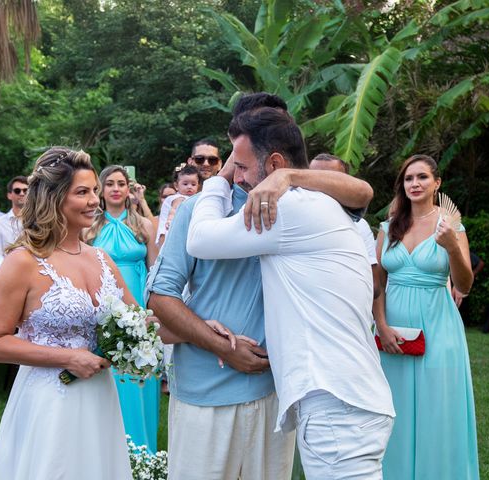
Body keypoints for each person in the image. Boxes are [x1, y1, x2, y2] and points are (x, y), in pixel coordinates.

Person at [147, 93, 377, 480]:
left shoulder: (308, 202)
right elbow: (159, 298)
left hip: (277, 391)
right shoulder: (197, 209)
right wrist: (220, 345)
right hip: (207, 390)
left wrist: (290, 178)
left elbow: (363, 193)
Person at [0, 148, 134, 479]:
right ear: (54, 198)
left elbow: (140, 320)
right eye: (82, 192)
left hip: (100, 397)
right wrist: (66, 358)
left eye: (94, 190)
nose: (95, 200)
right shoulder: (23, 262)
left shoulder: (102, 259)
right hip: (49, 402)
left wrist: (200, 324)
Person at [373, 154, 479, 480]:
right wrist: (381, 325)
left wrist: (451, 248)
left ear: (437, 183)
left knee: (437, 407)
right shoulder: (388, 228)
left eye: (421, 177)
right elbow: (377, 285)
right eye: (408, 178)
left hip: (438, 326)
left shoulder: (452, 228)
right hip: (391, 329)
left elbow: (464, 284)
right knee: (393, 408)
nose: (414, 184)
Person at [84, 165, 160, 451]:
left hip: (137, 302)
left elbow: (155, 270)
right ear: (101, 190)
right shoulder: (90, 226)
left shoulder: (143, 225)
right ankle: (107, 448)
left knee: (138, 370)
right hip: (103, 304)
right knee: (110, 374)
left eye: (122, 183)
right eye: (110, 184)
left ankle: (142, 446)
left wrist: (152, 309)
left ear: (130, 190)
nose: (116, 188)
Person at [310, 153, 382, 298]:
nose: (322, 186)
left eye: (332, 180)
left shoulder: (359, 225)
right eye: (314, 178)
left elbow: (374, 287)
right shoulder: (293, 221)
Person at [0, 176, 27, 271]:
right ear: (9, 195)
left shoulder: (41, 221)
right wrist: (9, 273)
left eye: (26, 190)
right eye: (17, 191)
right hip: (8, 273)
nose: (22, 193)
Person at [155, 164, 201, 247]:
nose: (189, 187)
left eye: (193, 184)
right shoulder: (178, 197)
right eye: (185, 184)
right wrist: (170, 220)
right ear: (176, 186)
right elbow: (174, 209)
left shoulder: (195, 199)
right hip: (169, 234)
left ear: (198, 186)